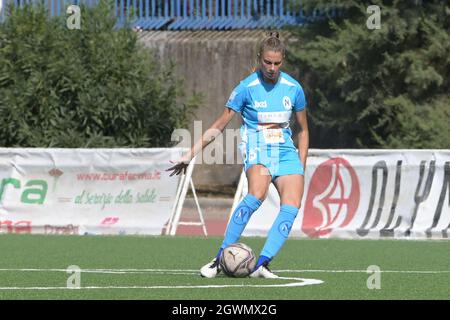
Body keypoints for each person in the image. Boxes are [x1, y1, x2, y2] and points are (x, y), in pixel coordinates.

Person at [167, 31, 309, 279]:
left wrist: (301, 165)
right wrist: (190, 155)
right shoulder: (246, 88)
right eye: (267, 62)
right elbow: (219, 124)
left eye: (277, 63)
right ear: (259, 58)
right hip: (257, 148)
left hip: (286, 153)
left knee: (292, 206)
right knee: (256, 195)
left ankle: (263, 264)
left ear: (283, 60)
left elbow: (304, 131)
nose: (272, 68)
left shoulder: (293, 88)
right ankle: (219, 259)